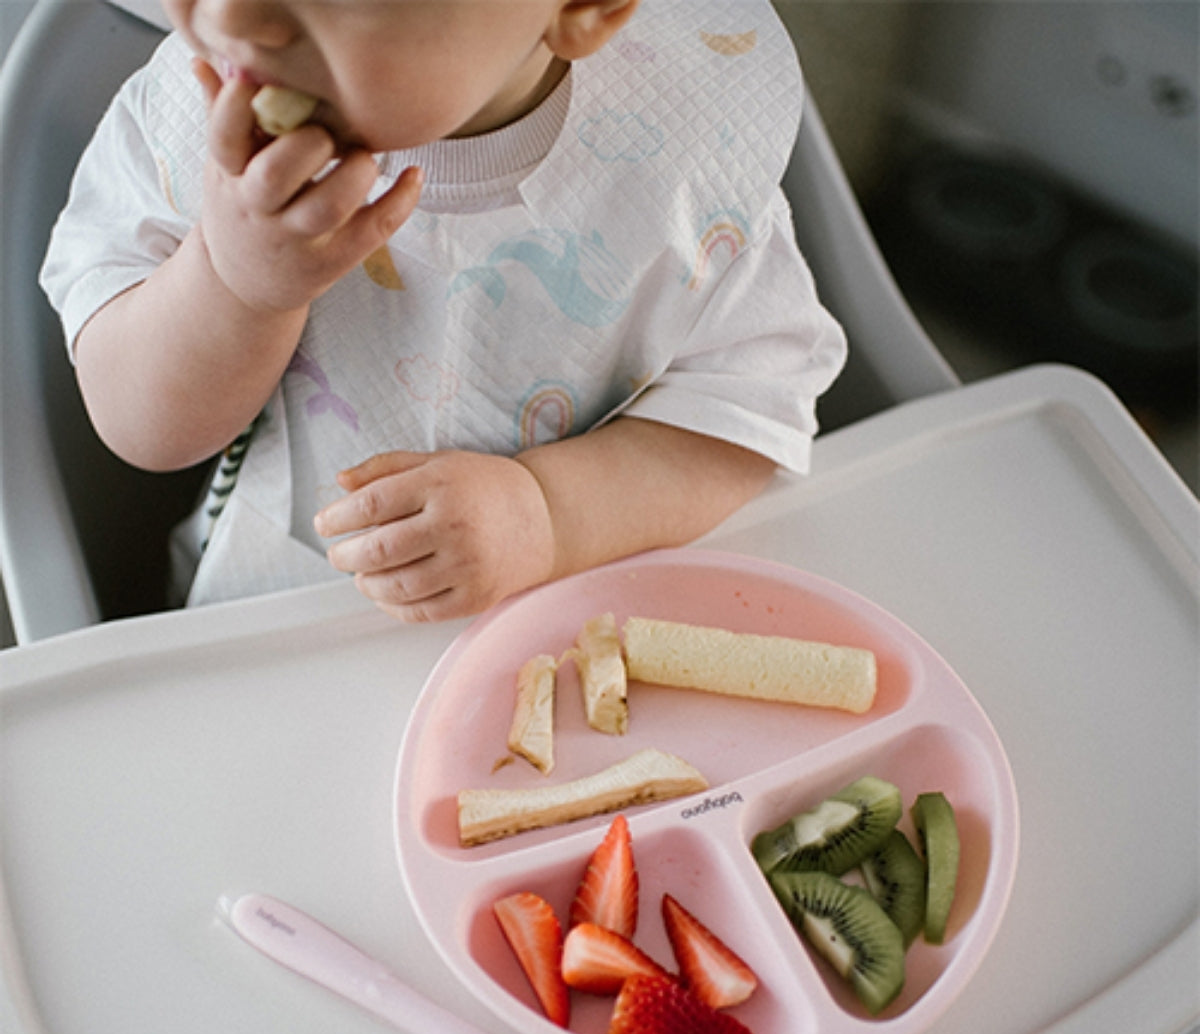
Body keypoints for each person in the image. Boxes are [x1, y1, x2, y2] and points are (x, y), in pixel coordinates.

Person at [41, 0, 846, 622]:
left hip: (566, 616)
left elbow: (745, 416)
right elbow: (140, 426)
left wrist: (547, 515)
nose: (232, 19)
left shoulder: (681, 151)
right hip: (280, 618)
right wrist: (234, 280)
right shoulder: (192, 116)